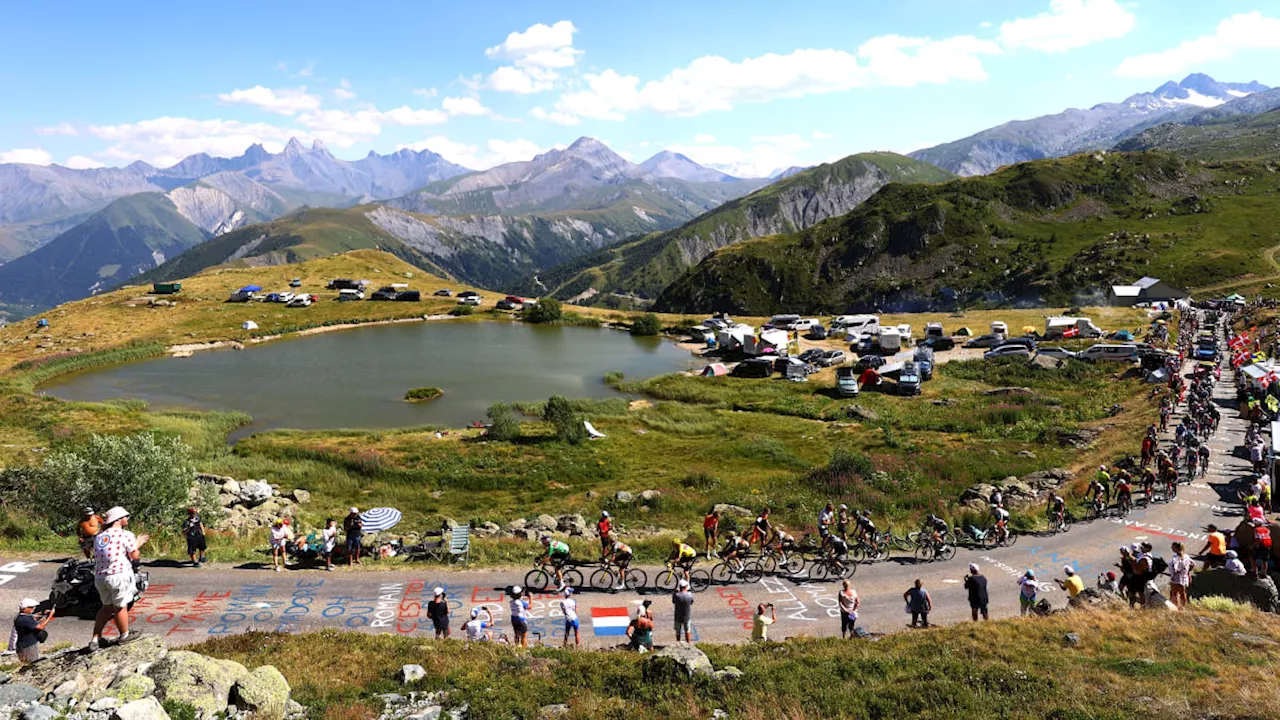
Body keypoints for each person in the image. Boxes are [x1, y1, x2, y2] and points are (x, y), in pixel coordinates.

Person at [88, 506, 148, 651]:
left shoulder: (100, 536)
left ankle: (96, 638)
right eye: (125, 517)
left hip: (101, 576)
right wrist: (138, 543)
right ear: (119, 519)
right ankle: (124, 635)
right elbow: (134, 556)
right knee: (121, 606)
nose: (127, 519)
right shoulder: (125, 534)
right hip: (119, 574)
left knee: (106, 607)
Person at [12, 598, 54, 663]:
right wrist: (49, 616)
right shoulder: (25, 619)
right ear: (25, 608)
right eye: (31, 608)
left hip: (25, 644)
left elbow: (34, 618)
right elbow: (40, 627)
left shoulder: (21, 616)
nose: (33, 609)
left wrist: (43, 613)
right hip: (28, 646)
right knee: (32, 663)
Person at [1168, 542, 1194, 610]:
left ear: (1176, 548)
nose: (1171, 548)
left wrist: (1173, 573)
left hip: (1176, 578)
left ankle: (1175, 607)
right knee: (1183, 593)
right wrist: (1187, 571)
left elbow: (1175, 568)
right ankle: (1183, 607)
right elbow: (1193, 564)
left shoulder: (1175, 558)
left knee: (1174, 593)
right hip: (1184, 577)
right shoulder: (1186, 556)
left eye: (1173, 547)